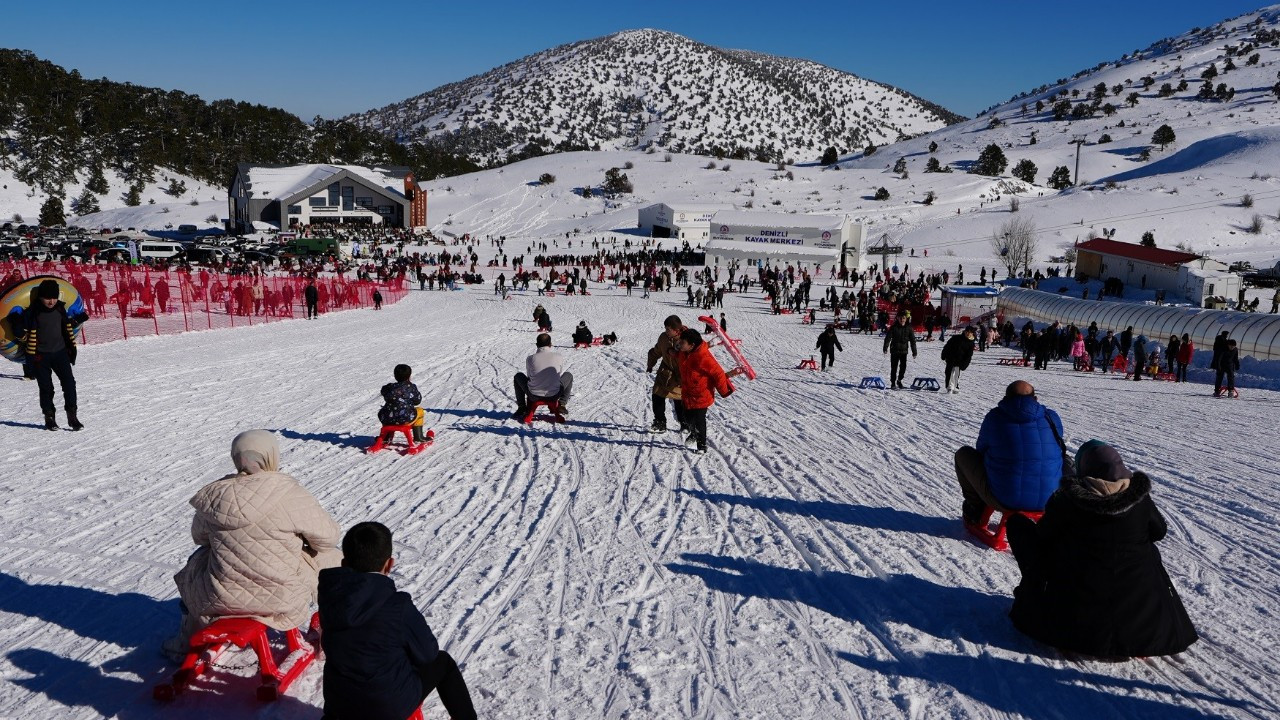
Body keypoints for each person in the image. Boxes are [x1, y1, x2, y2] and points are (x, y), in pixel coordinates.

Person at [1006, 441, 1198, 659]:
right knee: (1146, 552)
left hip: (1078, 622)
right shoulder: (1139, 498)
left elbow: (1043, 536)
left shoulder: (1068, 500)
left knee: (1020, 527)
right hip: (1142, 623)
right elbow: (1159, 531)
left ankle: (1036, 595)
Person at [171, 430, 341, 649]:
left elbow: (199, 537)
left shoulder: (216, 495)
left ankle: (187, 638)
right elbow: (327, 539)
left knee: (199, 559)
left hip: (219, 597)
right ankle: (335, 630)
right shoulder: (288, 492)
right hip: (283, 598)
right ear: (271, 456)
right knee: (333, 557)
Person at [319, 522, 478, 720]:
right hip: (386, 708)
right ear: (389, 564)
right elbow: (428, 654)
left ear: (343, 563)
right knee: (442, 662)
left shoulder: (330, 598)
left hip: (339, 706)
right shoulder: (397, 605)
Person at [954, 380, 1064, 524]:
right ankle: (1068, 506)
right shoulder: (1051, 417)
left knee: (963, 455)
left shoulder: (995, 417)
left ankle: (975, 507)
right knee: (1063, 458)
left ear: (1006, 398)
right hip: (1051, 499)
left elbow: (981, 450)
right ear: (1035, 399)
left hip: (1005, 499)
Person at [20, 279, 89, 431]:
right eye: (47, 298)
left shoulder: (60, 309)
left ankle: (72, 416)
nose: (51, 301)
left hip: (60, 353)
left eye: (54, 297)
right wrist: (17, 327)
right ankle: (49, 416)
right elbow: (23, 330)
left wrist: (77, 319)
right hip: (40, 356)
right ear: (40, 297)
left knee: (69, 383)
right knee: (46, 387)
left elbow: (65, 325)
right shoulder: (33, 312)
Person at [677, 328, 735, 453]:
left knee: (699, 421)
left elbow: (718, 373)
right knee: (687, 418)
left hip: (701, 395)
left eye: (682, 342)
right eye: (680, 341)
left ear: (692, 345)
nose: (679, 344)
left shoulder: (703, 357)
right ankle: (693, 434)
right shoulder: (684, 352)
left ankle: (701, 445)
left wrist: (724, 391)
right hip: (687, 393)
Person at [513, 333, 572, 418]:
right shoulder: (558, 356)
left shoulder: (530, 358)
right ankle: (562, 404)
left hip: (533, 395)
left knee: (518, 376)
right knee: (568, 375)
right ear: (550, 344)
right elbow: (558, 374)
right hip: (554, 394)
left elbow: (529, 376)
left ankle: (522, 407)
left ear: (537, 345)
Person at [646, 315, 686, 433]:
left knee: (679, 400)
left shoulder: (686, 339)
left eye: (668, 329)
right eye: (665, 328)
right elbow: (656, 351)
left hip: (680, 374)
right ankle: (660, 422)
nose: (666, 331)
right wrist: (650, 364)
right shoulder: (663, 338)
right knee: (657, 394)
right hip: (665, 371)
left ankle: (684, 423)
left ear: (676, 330)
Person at [378, 364, 427, 443]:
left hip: (387, 419)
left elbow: (383, 390)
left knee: (387, 411)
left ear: (395, 376)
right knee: (420, 410)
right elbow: (417, 401)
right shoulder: (411, 387)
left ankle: (385, 438)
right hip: (406, 418)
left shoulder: (389, 387)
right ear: (409, 376)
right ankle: (418, 437)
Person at [882, 312, 917, 389]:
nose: (902, 320)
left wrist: (914, 352)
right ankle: (893, 383)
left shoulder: (909, 328)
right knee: (894, 367)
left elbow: (913, 341)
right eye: (900, 318)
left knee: (903, 367)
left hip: (904, 351)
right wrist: (885, 348)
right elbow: (888, 338)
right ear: (897, 318)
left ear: (906, 319)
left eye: (903, 318)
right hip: (894, 350)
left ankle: (899, 380)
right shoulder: (894, 327)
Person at [941, 325, 976, 393]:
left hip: (960, 360)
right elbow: (947, 346)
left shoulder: (971, 343)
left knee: (956, 373)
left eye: (969, 332)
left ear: (972, 333)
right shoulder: (956, 338)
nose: (968, 333)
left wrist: (965, 364)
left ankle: (955, 386)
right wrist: (944, 354)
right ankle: (949, 387)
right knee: (949, 372)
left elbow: (969, 355)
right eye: (966, 332)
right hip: (951, 357)